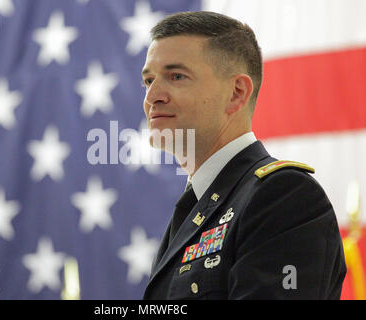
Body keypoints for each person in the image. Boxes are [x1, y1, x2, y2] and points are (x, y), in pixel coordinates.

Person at [141, 11, 346, 300]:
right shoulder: (194, 207)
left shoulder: (284, 196)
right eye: (148, 81)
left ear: (237, 93)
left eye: (176, 76)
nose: (152, 97)